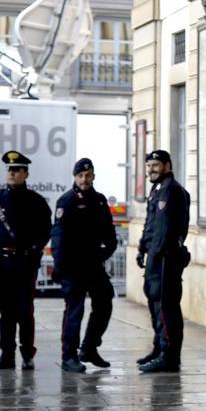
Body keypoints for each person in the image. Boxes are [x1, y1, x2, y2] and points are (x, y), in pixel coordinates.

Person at [0, 150, 53, 371]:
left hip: (25, 263)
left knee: (25, 310)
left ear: (26, 173)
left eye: (16, 170)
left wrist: (33, 250)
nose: (11, 174)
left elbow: (45, 231)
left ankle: (27, 354)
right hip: (3, 262)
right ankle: (6, 354)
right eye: (9, 170)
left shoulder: (36, 201)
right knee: (6, 312)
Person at [51, 158, 118, 373]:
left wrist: (104, 253)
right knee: (74, 311)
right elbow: (58, 239)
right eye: (80, 176)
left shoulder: (99, 201)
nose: (84, 179)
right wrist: (59, 268)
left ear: (93, 176)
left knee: (105, 302)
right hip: (73, 267)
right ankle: (68, 356)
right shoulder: (67, 201)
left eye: (88, 175)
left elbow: (110, 233)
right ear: (75, 177)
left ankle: (89, 348)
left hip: (94, 265)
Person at [136, 149, 191, 373]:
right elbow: (151, 224)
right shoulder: (157, 190)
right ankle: (159, 348)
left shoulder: (173, 191)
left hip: (166, 258)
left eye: (156, 165)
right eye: (149, 166)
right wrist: (142, 247)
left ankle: (169, 355)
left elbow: (166, 230)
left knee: (166, 307)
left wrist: (155, 253)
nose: (151, 170)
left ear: (167, 166)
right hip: (155, 257)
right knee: (155, 304)